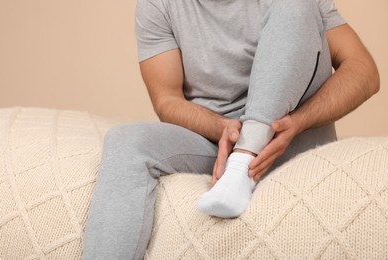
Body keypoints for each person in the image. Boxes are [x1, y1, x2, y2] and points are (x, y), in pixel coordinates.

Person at [82, 0, 380, 259]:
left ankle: (243, 162)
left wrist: (299, 122)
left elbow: (364, 71)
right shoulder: (158, 4)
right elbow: (166, 99)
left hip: (289, 134)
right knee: (125, 142)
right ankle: (241, 158)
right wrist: (223, 128)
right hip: (218, 139)